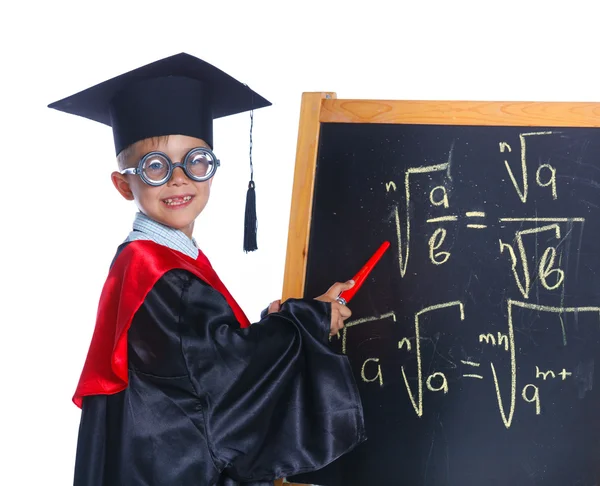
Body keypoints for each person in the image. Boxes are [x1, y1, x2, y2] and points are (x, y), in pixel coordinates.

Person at [48, 52, 366, 486]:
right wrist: (306, 322)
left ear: (212, 169)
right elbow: (219, 376)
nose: (179, 179)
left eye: (195, 160)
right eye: (155, 167)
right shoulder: (151, 268)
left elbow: (198, 361)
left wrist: (272, 326)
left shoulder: (167, 257)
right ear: (124, 184)